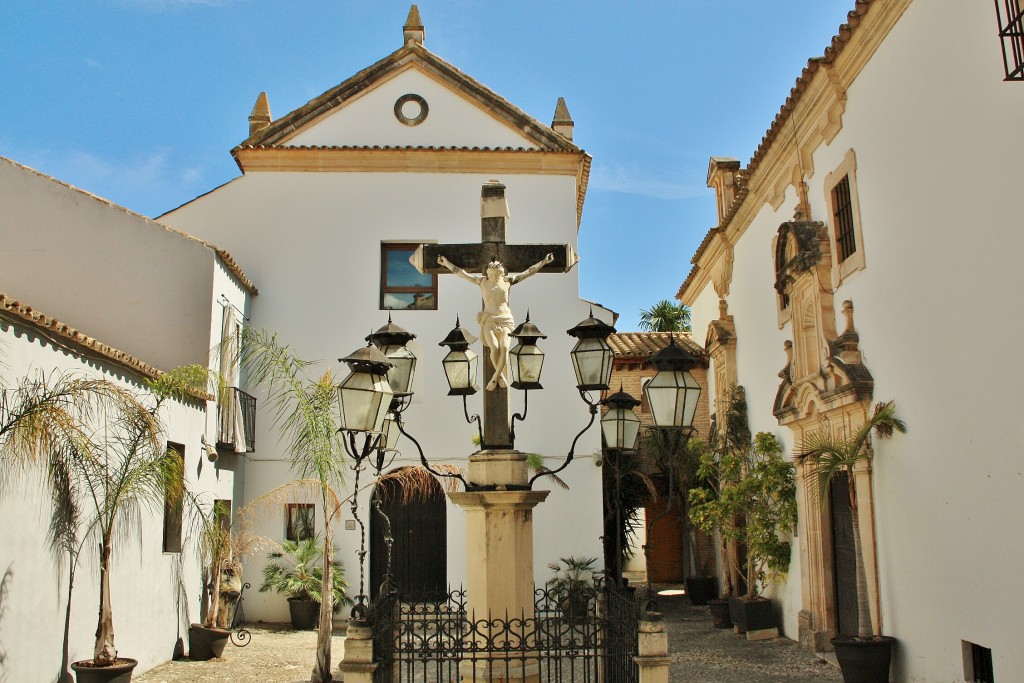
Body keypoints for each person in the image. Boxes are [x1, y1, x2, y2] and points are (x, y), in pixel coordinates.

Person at [437, 253, 554, 390]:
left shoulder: (508, 281)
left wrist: (543, 262)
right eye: (491, 274)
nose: (493, 277)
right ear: (488, 273)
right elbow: (461, 273)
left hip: (505, 320)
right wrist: (446, 263)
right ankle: (500, 376)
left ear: (500, 273)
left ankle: (494, 378)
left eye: (496, 274)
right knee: (495, 348)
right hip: (489, 320)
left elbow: (528, 272)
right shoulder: (481, 282)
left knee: (504, 348)